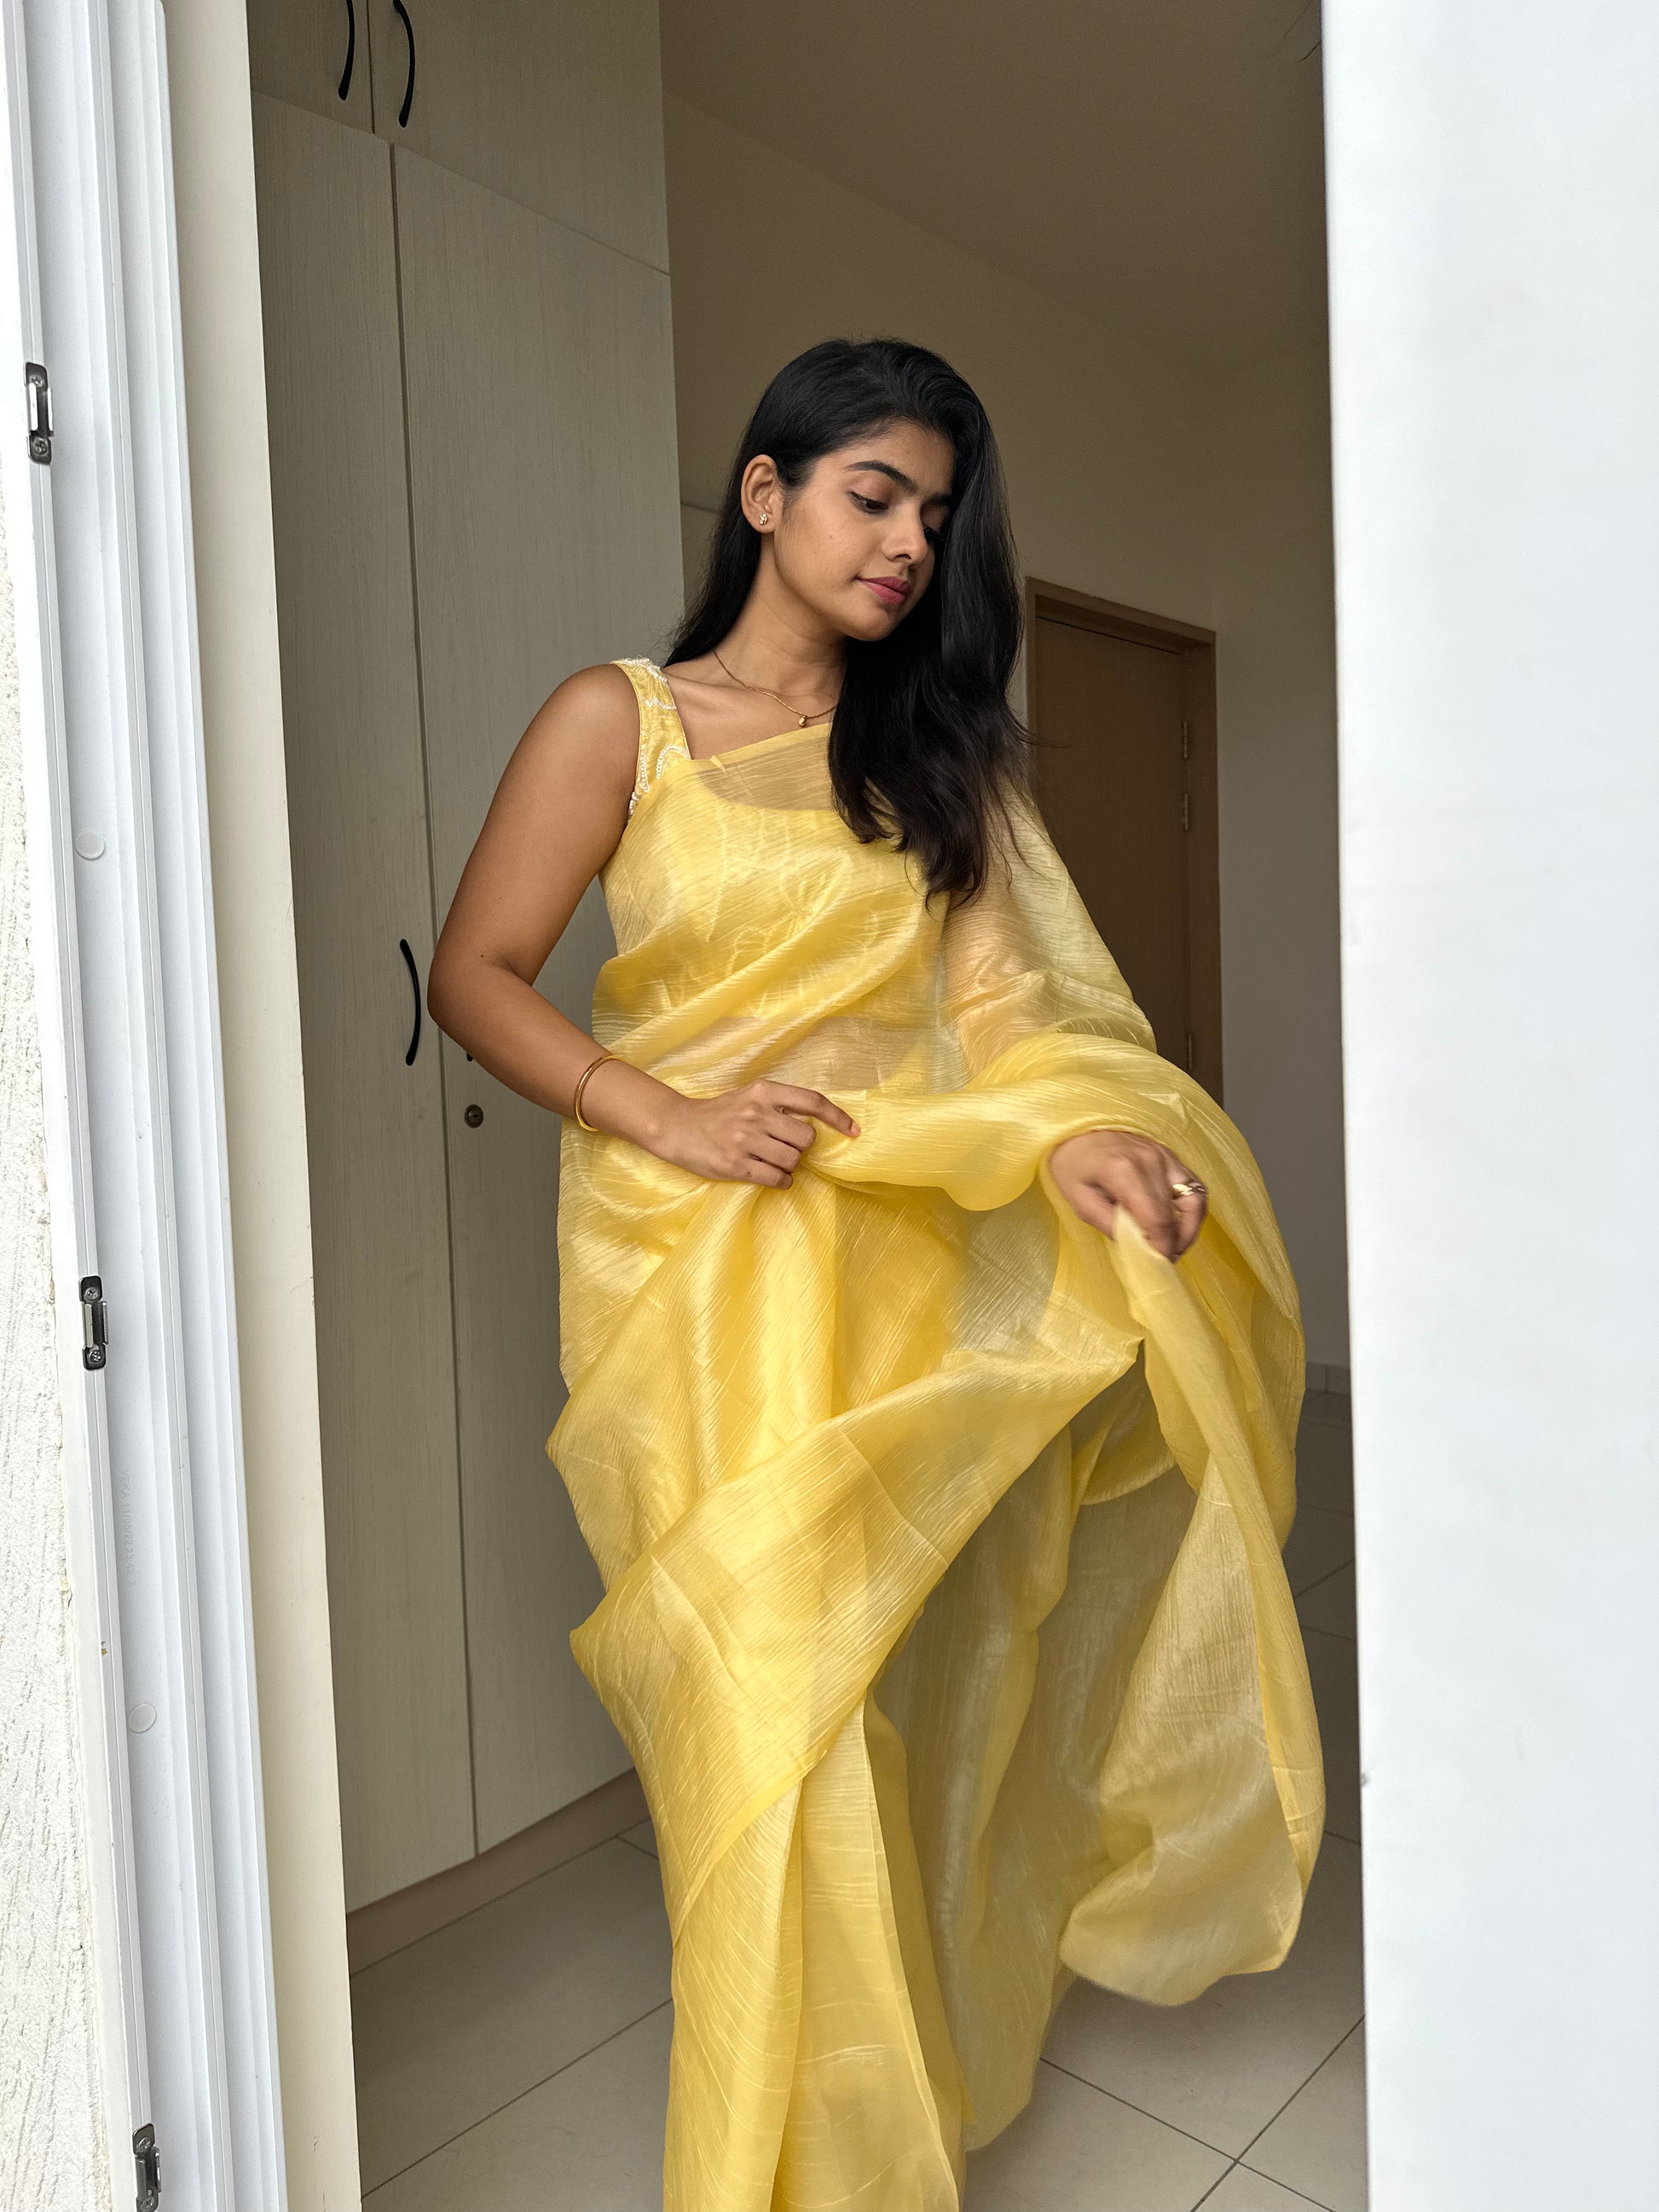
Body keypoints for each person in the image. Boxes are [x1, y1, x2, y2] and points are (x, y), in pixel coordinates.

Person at [427, 336, 1324, 2211]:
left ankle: (856, 2128)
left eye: (937, 512)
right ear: (765, 493)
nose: (911, 540)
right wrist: (666, 1114)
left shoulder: (941, 755)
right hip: (687, 1274)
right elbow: (477, 971)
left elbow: (1011, 1019)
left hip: (892, 1258)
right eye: (873, 493)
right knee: (757, 1706)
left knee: (880, 1694)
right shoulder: (621, 720)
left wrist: (1075, 1142)